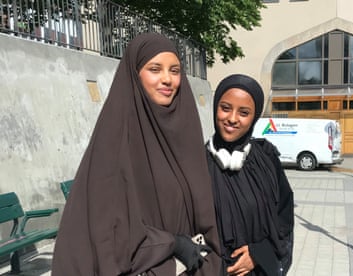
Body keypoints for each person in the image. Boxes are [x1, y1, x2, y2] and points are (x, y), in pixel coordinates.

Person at [52, 33, 221, 276]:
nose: (167, 79)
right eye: (155, 69)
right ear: (135, 73)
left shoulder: (185, 133)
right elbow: (107, 233)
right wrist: (172, 243)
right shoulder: (115, 141)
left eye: (175, 71)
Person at [205, 74, 294, 276]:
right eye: (225, 108)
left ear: (254, 117)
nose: (232, 119)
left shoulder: (267, 159)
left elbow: (284, 217)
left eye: (244, 112)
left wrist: (260, 253)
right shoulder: (196, 164)